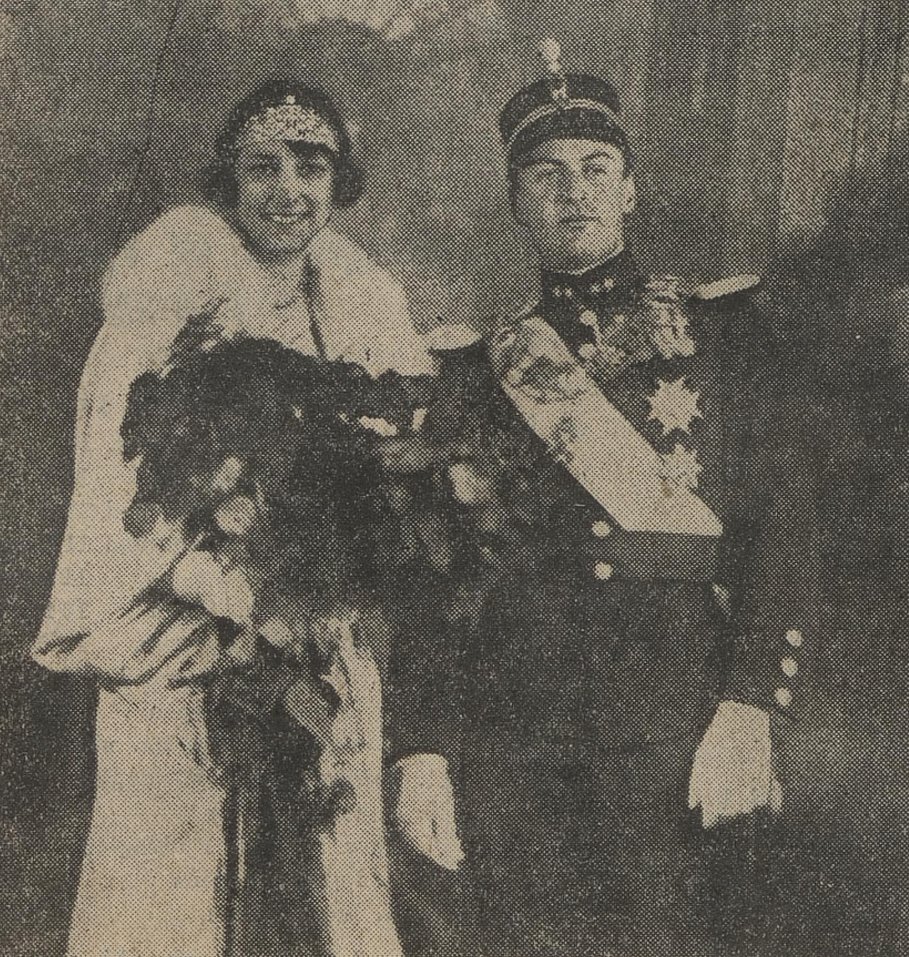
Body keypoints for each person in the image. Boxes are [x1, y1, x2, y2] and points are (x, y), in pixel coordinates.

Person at [405, 40, 816, 956]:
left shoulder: (722, 337)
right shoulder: (474, 372)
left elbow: (778, 538)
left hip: (672, 718)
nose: (573, 190)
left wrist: (751, 706)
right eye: (545, 174)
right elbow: (439, 580)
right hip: (513, 731)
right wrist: (423, 748)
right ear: (515, 203)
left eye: (596, 169)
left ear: (630, 188)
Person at [31, 79, 438, 957]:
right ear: (229, 182)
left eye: (312, 166)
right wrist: (231, 586)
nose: (288, 189)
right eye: (263, 167)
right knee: (175, 891)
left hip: (318, 643)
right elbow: (117, 488)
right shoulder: (165, 306)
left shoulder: (363, 314)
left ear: (340, 182)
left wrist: (337, 578)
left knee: (328, 878)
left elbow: (393, 484)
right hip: (178, 644)